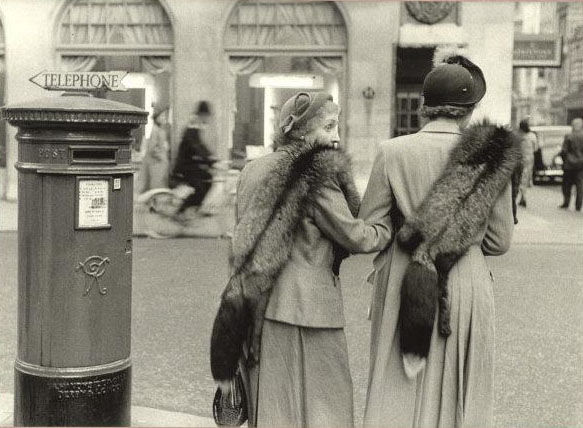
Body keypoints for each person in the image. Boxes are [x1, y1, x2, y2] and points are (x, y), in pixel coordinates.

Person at [210, 92, 393, 427]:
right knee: (326, 405)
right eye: (328, 126)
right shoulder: (315, 172)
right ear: (303, 131)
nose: (336, 136)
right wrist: (386, 225)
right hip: (310, 309)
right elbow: (356, 236)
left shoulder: (252, 170)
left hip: (259, 308)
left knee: (275, 404)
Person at [359, 52, 521, 427]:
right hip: (464, 280)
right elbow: (499, 241)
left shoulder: (391, 152)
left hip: (405, 277)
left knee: (398, 384)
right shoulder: (492, 155)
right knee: (460, 384)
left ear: (424, 106)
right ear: (470, 110)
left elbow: (370, 225)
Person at [171, 101, 217, 212]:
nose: (207, 119)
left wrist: (211, 157)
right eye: (206, 115)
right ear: (202, 114)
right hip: (185, 165)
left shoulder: (196, 125)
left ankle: (194, 206)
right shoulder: (192, 126)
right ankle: (183, 209)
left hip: (191, 164)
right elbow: (195, 145)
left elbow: (201, 145)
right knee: (201, 187)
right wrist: (207, 159)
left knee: (208, 178)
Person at [139, 106, 170, 193]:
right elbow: (152, 148)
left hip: (160, 163)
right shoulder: (155, 130)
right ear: (157, 118)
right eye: (162, 116)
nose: (164, 118)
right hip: (156, 164)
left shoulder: (161, 130)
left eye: (165, 116)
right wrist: (161, 156)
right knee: (156, 188)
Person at [559, 117, 583, 211]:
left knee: (567, 184)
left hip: (569, 164)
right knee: (580, 185)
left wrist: (564, 160)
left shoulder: (568, 136)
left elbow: (564, 151)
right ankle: (578, 205)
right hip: (581, 164)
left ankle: (566, 202)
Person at [516, 118, 539, 208]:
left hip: (520, 159)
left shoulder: (518, 136)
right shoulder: (532, 136)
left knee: (520, 178)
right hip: (529, 158)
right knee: (526, 177)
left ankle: (522, 197)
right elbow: (536, 148)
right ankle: (523, 196)